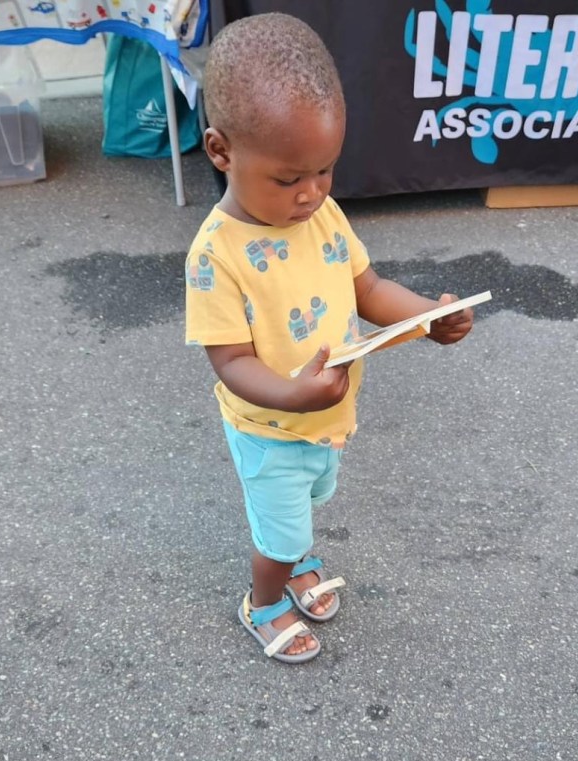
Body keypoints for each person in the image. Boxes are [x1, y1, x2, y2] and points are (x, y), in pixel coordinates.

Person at [185, 12, 474, 664]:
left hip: (326, 414)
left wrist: (427, 317)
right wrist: (291, 396)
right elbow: (229, 360)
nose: (312, 193)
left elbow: (368, 289)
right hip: (271, 426)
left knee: (311, 502)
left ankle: (297, 557)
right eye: (289, 179)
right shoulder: (215, 255)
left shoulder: (323, 215)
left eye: (326, 171)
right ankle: (263, 601)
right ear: (220, 150)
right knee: (277, 529)